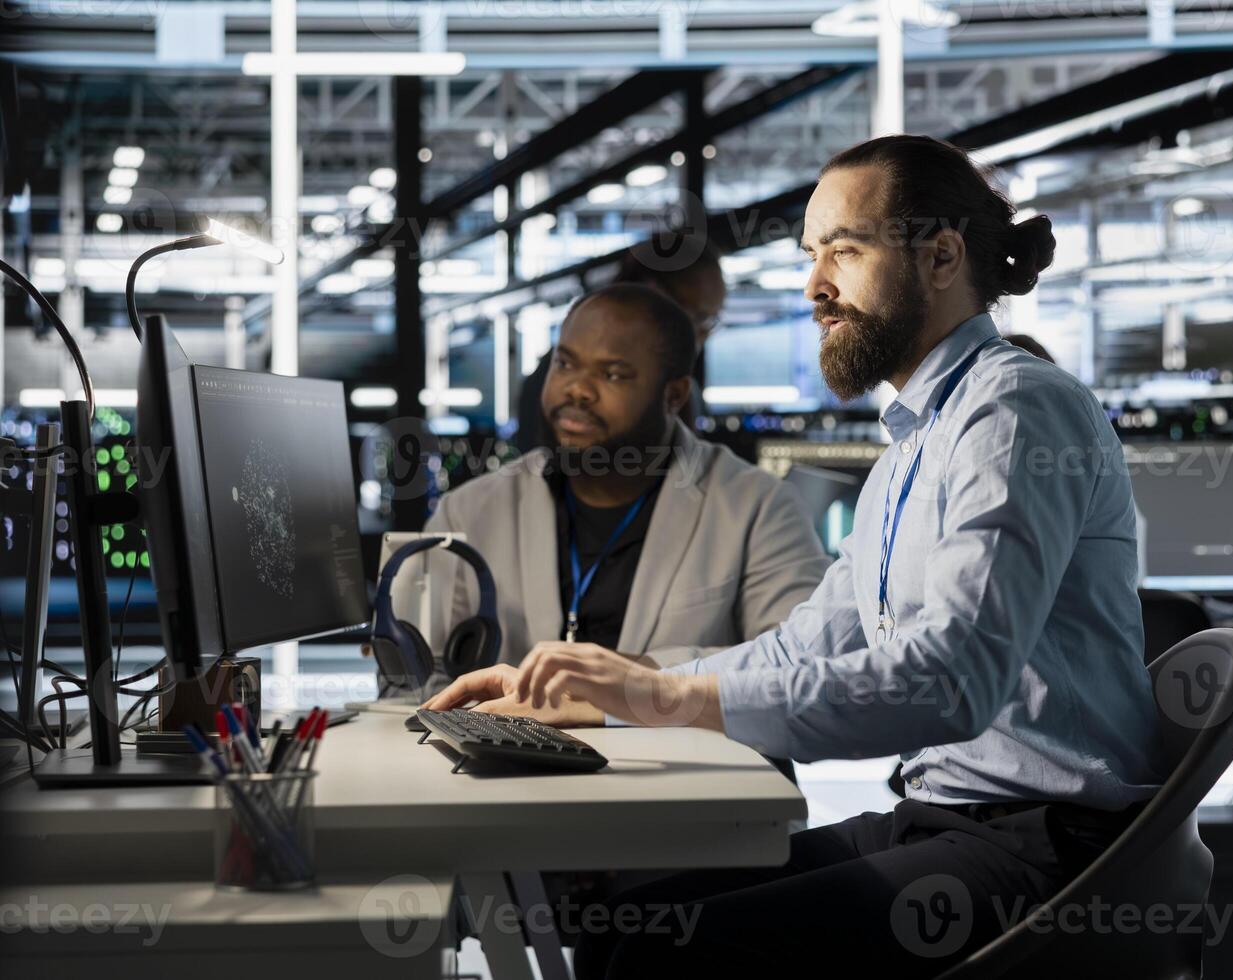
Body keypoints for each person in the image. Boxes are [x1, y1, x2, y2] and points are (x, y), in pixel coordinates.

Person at [424, 135, 1168, 978]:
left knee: (676, 953)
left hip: (1045, 854)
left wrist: (661, 692)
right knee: (624, 922)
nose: (815, 287)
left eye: (843, 252)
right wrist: (609, 696)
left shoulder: (1015, 413)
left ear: (941, 257)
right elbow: (804, 645)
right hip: (947, 822)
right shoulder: (910, 449)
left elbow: (951, 681)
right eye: (813, 256)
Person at [389, 281, 829, 690]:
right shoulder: (468, 511)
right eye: (565, 363)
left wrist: (632, 678)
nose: (578, 389)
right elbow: (410, 681)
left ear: (673, 396)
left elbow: (805, 667)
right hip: (517, 771)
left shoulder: (758, 507)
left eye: (614, 374)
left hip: (688, 769)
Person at [512, 232, 726, 453]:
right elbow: (539, 473)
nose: (704, 333)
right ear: (655, 295)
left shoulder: (686, 393)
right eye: (700, 317)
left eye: (711, 320)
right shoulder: (552, 384)